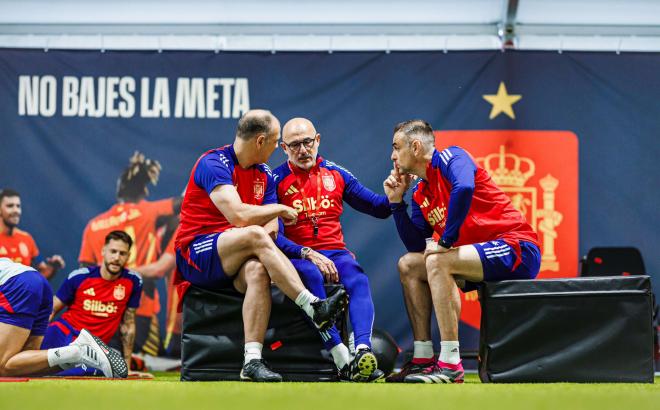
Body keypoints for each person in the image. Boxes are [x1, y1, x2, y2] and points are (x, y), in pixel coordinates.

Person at [175, 109, 347, 382]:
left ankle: (252, 361)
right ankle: (313, 307)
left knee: (258, 270)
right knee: (254, 234)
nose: (278, 149)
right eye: (275, 141)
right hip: (196, 253)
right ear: (260, 141)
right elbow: (239, 216)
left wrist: (274, 235)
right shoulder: (214, 163)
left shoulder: (264, 173)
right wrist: (279, 207)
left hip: (236, 255)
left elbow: (272, 231)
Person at [383, 119, 540, 384]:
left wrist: (446, 240)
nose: (392, 156)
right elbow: (417, 247)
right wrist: (397, 202)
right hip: (476, 257)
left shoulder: (451, 157)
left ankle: (451, 364)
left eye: (396, 147)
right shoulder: (421, 192)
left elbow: (464, 187)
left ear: (417, 147)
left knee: (438, 261)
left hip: (517, 248)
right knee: (409, 264)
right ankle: (422, 358)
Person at [273, 118, 391, 382]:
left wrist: (394, 195)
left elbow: (378, 208)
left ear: (318, 140)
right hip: (296, 255)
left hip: (335, 253)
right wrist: (307, 252)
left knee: (357, 278)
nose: (302, 150)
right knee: (311, 277)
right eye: (294, 145)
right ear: (283, 148)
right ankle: (341, 358)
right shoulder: (275, 180)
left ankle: (361, 351)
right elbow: (273, 238)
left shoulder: (337, 174)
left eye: (307, 142)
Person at [78, 152, 181, 357]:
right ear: (144, 190)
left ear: (119, 192)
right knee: (154, 363)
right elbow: (186, 202)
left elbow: (85, 275)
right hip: (140, 308)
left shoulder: (94, 224)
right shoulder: (150, 211)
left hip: (102, 311)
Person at [0, 257, 127, 378]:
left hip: (17, 284)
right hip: (36, 281)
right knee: (24, 368)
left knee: (2, 365)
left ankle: (78, 351)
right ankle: (75, 356)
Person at [42, 230, 143, 376]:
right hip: (62, 334)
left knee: (101, 370)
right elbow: (50, 310)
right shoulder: (80, 276)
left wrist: (127, 368)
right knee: (24, 364)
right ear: (103, 251)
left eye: (122, 253)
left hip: (93, 348)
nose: (116, 257)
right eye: (113, 251)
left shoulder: (133, 281)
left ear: (128, 256)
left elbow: (128, 325)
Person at [0, 189, 65, 279]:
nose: (16, 210)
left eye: (18, 206)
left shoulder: (26, 239)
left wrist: (52, 267)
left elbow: (41, 276)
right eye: (10, 206)